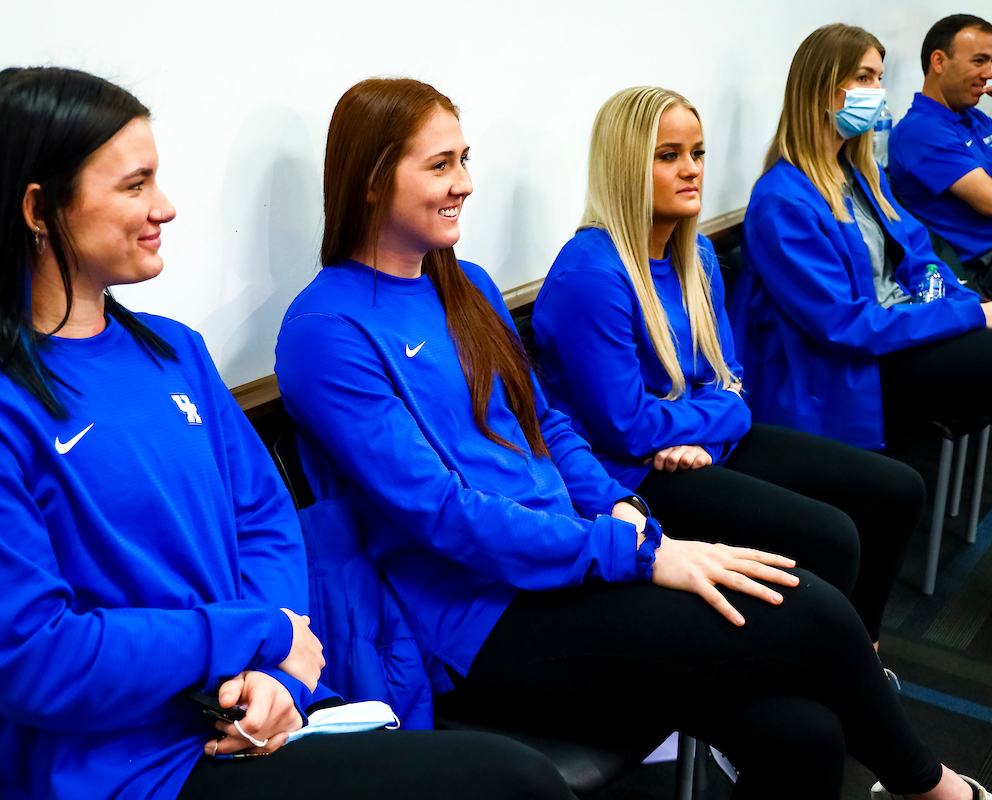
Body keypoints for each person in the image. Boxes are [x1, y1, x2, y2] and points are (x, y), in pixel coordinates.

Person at [275, 75, 986, 800]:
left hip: (568, 557)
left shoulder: (466, 284)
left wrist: (619, 506)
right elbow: (443, 514)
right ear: (368, 180)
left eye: (464, 159)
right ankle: (938, 792)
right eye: (439, 165)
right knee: (815, 613)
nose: (463, 183)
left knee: (806, 735)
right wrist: (637, 555)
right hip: (480, 618)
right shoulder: (324, 334)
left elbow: (544, 421)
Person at [0, 66, 578, 800]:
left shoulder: (175, 350)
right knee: (510, 785)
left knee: (506, 778)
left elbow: (264, 520)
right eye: (134, 185)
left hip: (265, 718)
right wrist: (254, 637)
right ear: (38, 207)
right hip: (140, 770)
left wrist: (277, 670)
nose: (166, 208)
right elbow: (35, 660)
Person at [530, 85, 923, 647]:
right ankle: (833, 671)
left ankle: (863, 654)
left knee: (896, 491)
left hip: (699, 448)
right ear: (625, 168)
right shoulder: (591, 276)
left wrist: (708, 438)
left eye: (698, 153)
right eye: (669, 156)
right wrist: (714, 418)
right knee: (832, 537)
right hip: (632, 478)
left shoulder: (700, 257)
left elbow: (734, 385)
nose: (691, 170)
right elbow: (627, 428)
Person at [729, 23, 992, 455]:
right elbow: (846, 326)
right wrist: (969, 316)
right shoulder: (782, 202)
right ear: (822, 88)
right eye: (864, 78)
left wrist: (958, 303)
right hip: (855, 366)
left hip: (902, 332)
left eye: (879, 79)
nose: (877, 92)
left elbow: (919, 256)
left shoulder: (861, 176)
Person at [889, 14, 992, 293]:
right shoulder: (919, 131)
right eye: (979, 61)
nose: (989, 73)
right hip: (981, 270)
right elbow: (989, 201)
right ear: (939, 61)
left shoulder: (975, 118)